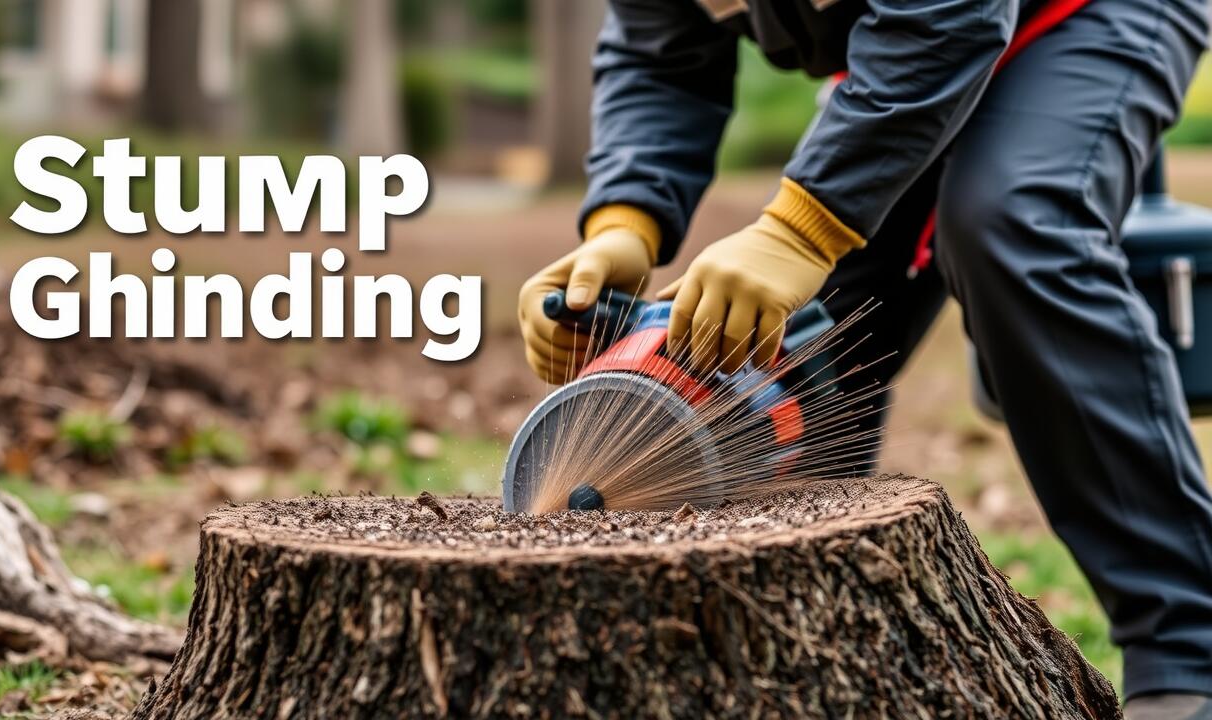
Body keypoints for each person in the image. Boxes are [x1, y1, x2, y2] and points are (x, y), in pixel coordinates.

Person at [517, 0, 1212, 714]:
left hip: (1081, 14)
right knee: (797, 338)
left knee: (1013, 222)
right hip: (904, 61)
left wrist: (799, 233)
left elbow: (951, 18)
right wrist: (623, 223)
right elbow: (658, 58)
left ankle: (1191, 653)